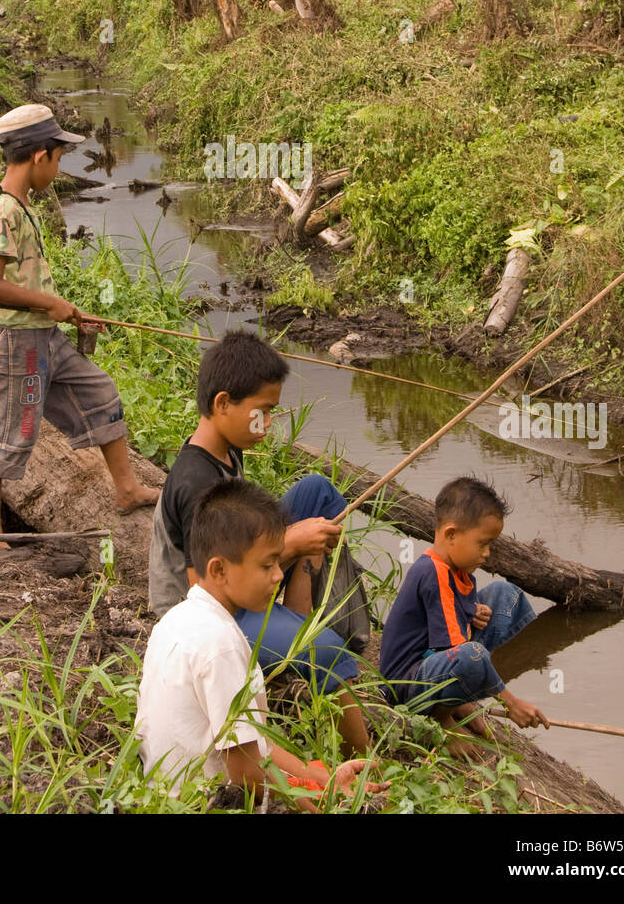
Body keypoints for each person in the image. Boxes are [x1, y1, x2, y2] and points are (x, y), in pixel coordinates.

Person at [148, 328, 369, 752]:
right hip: (202, 604)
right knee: (331, 655)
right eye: (262, 412)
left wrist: (298, 553)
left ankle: (319, 611)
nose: (268, 424)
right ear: (223, 403)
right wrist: (290, 543)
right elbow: (209, 587)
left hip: (235, 568)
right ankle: (365, 757)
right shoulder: (195, 483)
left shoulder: (227, 448)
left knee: (319, 493)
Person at [0, 103, 158, 555]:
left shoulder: (21, 206)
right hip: (10, 340)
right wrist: (50, 302)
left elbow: (21, 280)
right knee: (5, 429)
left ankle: (127, 489)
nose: (58, 167)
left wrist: (67, 312)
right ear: (38, 156)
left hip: (39, 334)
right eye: (57, 158)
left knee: (99, 392)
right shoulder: (2, 211)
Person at [137, 479, 387, 809]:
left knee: (314, 773)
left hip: (164, 793)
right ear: (219, 569)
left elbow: (251, 744)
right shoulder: (222, 644)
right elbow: (245, 773)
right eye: (267, 565)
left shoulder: (176, 620)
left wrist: (319, 779)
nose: (278, 575)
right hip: (202, 801)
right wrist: (314, 795)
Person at [379, 476, 549, 744]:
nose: (487, 554)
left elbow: (452, 615)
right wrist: (510, 702)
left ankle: (459, 700)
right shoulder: (432, 573)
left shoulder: (457, 569)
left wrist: (471, 611)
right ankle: (441, 717)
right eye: (482, 544)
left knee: (506, 596)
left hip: (432, 662)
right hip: (406, 685)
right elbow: (457, 652)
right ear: (451, 535)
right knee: (471, 655)